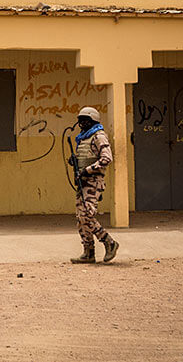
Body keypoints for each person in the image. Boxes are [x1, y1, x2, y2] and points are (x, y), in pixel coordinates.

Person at [69, 106, 119, 263]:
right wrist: (75, 163)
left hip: (93, 182)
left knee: (86, 215)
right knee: (80, 217)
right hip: (83, 182)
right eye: (80, 120)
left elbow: (106, 158)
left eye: (85, 120)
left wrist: (87, 170)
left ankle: (109, 242)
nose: (81, 123)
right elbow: (87, 157)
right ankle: (88, 252)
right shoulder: (83, 138)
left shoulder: (99, 136)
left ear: (93, 121)